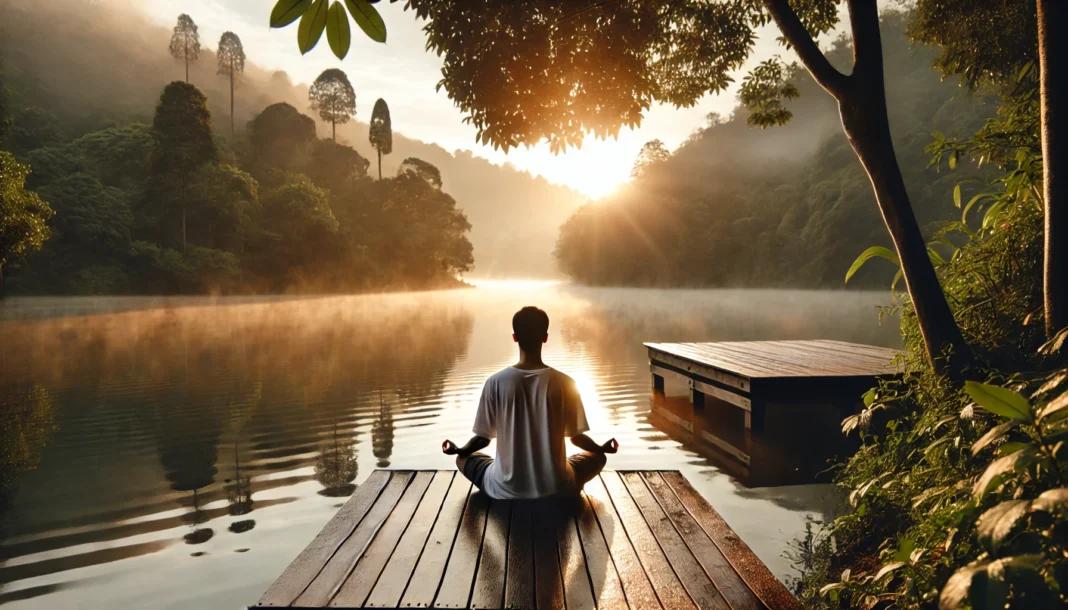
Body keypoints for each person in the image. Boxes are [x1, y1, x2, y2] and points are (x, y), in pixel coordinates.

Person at [442, 306, 618, 499]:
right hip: (557, 487)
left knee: (463, 459)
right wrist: (602, 448)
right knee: (596, 457)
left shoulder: (495, 382)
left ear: (514, 337)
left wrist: (459, 449)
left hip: (503, 489)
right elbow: (577, 438)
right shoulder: (566, 383)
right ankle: (564, 483)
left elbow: (482, 439)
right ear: (545, 337)